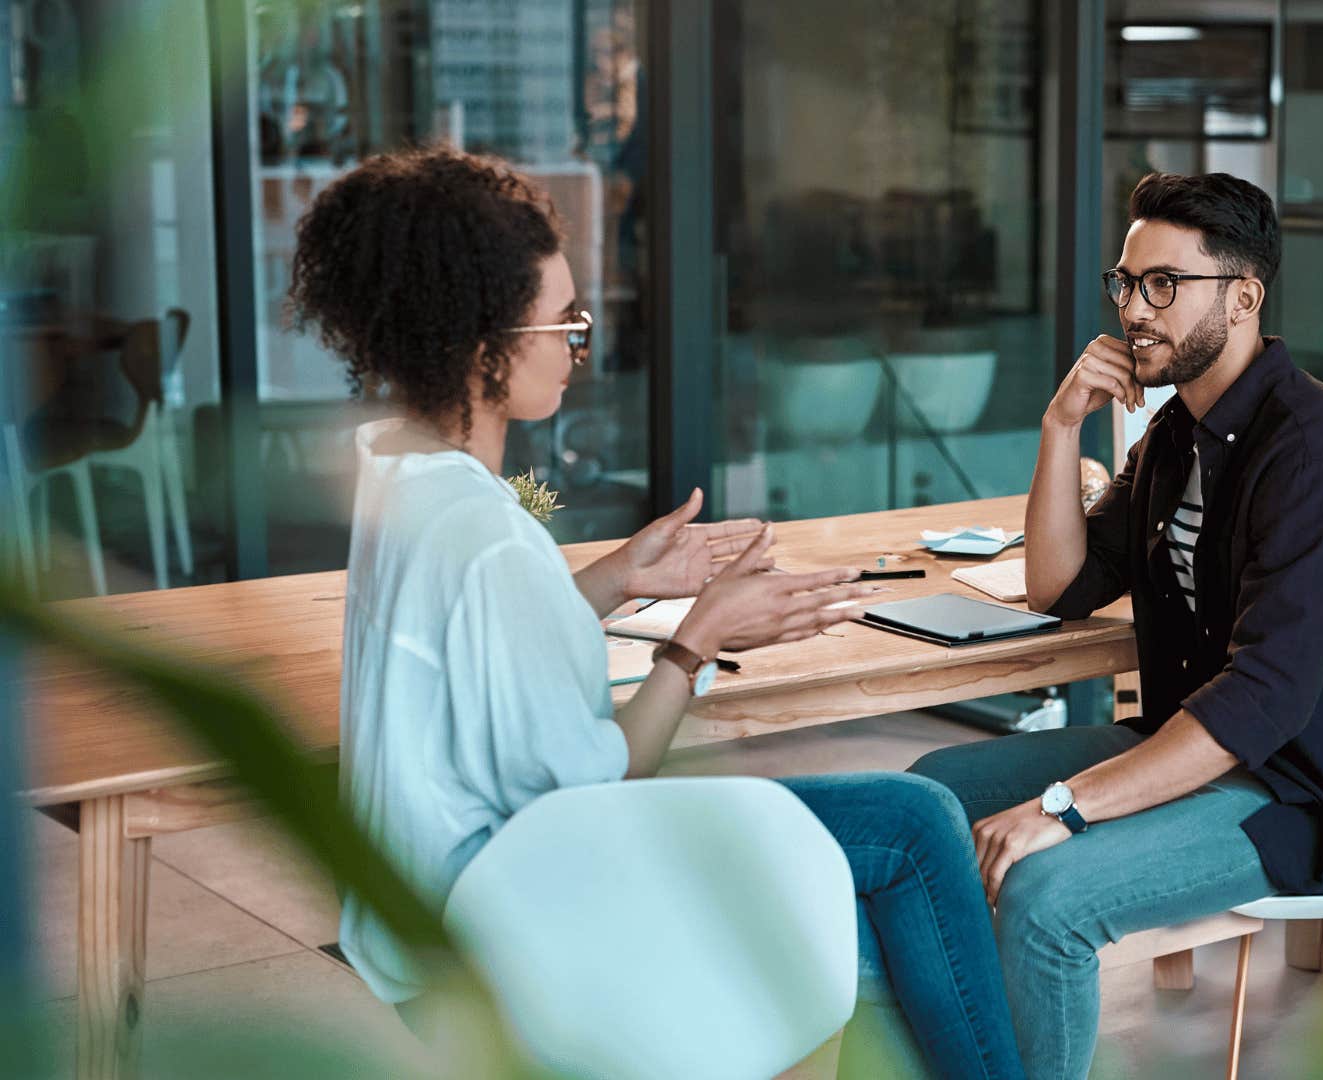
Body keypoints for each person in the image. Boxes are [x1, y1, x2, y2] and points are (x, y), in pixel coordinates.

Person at [291, 146, 1025, 1080]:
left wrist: (617, 579)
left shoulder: (403, 486)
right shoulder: (488, 539)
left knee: (886, 886)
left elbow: (477, 646)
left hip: (423, 917)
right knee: (915, 828)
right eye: (563, 323)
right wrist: (698, 639)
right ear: (483, 346)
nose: (577, 346)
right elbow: (607, 778)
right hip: (512, 920)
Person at [910, 172, 1323, 1078]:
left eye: (1164, 284)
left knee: (1044, 898)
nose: (1135, 311)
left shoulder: (1319, 455)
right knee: (925, 800)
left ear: (1243, 297)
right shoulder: (1177, 436)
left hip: (1309, 796)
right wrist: (1058, 426)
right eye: (1126, 282)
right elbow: (1059, 584)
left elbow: (1264, 703)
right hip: (1200, 748)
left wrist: (1064, 808)